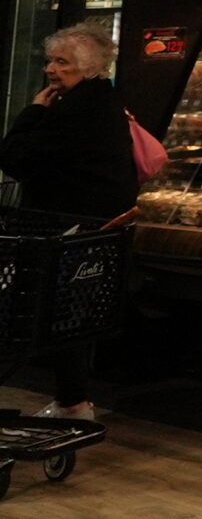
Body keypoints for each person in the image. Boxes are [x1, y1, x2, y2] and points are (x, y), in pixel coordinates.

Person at [0, 26, 139, 420]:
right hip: (90, 227)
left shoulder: (75, 109)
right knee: (70, 316)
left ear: (91, 69)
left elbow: (14, 158)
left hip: (67, 226)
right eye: (51, 61)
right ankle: (72, 402)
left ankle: (73, 403)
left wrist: (34, 111)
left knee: (59, 313)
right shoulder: (103, 101)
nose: (50, 70)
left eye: (62, 63)